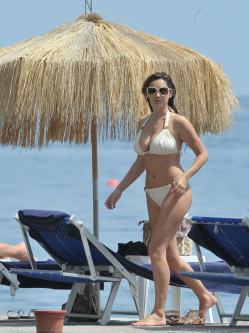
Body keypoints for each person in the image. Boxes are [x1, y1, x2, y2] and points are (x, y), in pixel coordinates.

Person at [104, 72, 216, 326]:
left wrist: (185, 177)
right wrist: (119, 189)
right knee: (171, 257)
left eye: (163, 91)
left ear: (171, 93)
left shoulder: (178, 122)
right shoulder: (143, 122)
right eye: (152, 91)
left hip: (176, 191)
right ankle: (205, 296)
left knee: (155, 249)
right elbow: (141, 162)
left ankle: (159, 314)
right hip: (150, 192)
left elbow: (203, 154)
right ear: (146, 94)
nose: (158, 95)